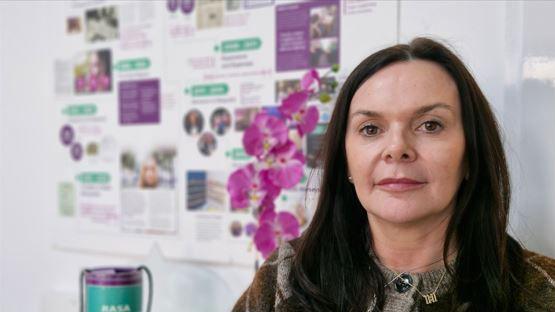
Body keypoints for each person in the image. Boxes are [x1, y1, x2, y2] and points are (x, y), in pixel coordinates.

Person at [232, 37, 555, 311]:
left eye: (430, 125)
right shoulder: (287, 277)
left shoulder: (541, 289)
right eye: (371, 129)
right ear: (345, 161)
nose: (397, 148)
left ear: (471, 154)